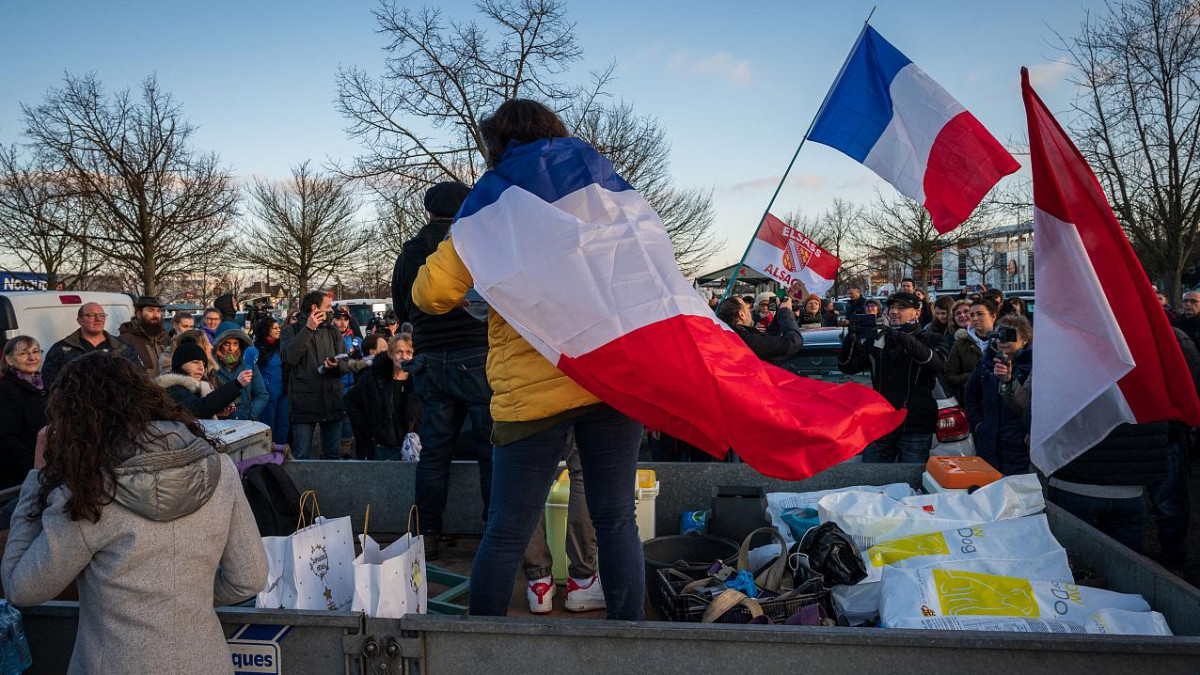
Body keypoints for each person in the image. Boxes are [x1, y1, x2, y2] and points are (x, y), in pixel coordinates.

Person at [412, 99, 644, 620]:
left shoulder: (493, 202)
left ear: (497, 146)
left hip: (533, 387)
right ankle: (635, 645)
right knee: (616, 519)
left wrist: (471, 249)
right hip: (610, 376)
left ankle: (482, 649)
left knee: (507, 527)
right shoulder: (603, 190)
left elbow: (430, 294)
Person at [1, 352, 267, 674]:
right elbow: (249, 577)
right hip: (205, 660)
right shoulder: (219, 468)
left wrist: (38, 478)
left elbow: (22, 587)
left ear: (74, 418)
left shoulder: (88, 491)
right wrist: (184, 599)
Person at [392, 180, 494, 559]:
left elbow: (403, 310)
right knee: (490, 450)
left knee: (434, 452)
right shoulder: (474, 245)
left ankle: (428, 534)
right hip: (477, 356)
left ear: (428, 211)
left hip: (431, 360)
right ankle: (492, 535)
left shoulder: (411, 253)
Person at [838, 292, 947, 463]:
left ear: (917, 313)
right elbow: (848, 367)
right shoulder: (879, 339)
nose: (894, 311)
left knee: (909, 483)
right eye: (892, 307)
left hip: (915, 426)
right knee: (872, 482)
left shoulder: (932, 338)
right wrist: (851, 338)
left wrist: (896, 334)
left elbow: (935, 363)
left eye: (901, 308)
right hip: (881, 424)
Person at [523, 434, 602, 614]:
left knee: (530, 473)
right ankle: (582, 582)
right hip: (573, 406)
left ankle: (539, 584)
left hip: (532, 408)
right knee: (582, 471)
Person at [279, 291, 351, 459]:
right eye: (327, 307)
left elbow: (345, 363)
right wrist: (308, 329)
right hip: (304, 403)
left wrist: (336, 365)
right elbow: (289, 357)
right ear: (314, 308)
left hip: (332, 401)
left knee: (333, 455)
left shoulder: (333, 331)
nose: (331, 310)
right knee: (302, 455)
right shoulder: (291, 330)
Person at [963, 315, 1033, 475]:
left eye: (1010, 335)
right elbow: (971, 398)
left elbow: (1028, 405)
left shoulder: (1032, 366)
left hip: (1018, 443)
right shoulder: (985, 364)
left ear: (1025, 340)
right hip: (988, 440)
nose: (1003, 339)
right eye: (999, 334)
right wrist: (979, 425)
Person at [345, 333, 422, 461]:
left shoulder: (420, 381)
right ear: (391, 354)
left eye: (409, 352)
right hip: (381, 450)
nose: (404, 356)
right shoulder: (374, 378)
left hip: (414, 450)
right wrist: (366, 429)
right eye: (399, 352)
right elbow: (350, 400)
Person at [42, 302, 141, 388]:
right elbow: (49, 385)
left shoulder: (123, 347)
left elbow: (139, 378)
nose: (98, 319)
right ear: (80, 320)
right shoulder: (61, 350)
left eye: (102, 315)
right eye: (91, 315)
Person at [157, 341, 253, 419]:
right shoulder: (173, 388)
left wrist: (217, 413)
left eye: (203, 363)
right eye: (195, 362)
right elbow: (199, 409)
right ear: (180, 364)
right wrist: (236, 384)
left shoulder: (198, 387)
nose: (201, 368)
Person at [0, 337, 47, 490]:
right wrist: (36, 464)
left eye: (35, 351)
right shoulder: (6, 390)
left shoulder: (43, 386)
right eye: (23, 353)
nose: (32, 357)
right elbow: (5, 438)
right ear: (9, 359)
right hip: (21, 477)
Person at [716, 295, 804, 361]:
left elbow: (765, 337)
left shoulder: (731, 336)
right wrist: (785, 312)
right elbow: (794, 342)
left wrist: (779, 313)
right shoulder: (744, 340)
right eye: (747, 308)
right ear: (741, 314)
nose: (750, 311)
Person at [945, 299, 997, 402]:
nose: (975, 318)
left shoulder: (1004, 342)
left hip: (1000, 402)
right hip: (974, 402)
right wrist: (975, 376)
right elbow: (950, 377)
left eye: (980, 314)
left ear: (993, 316)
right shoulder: (960, 344)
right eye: (972, 315)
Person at [212, 329, 269, 422]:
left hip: (246, 421)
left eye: (235, 344)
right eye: (226, 344)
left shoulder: (249, 365)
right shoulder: (212, 368)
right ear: (219, 346)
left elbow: (262, 394)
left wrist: (251, 414)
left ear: (240, 346)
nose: (231, 349)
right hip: (220, 422)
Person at [253, 316, 290, 448]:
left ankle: (280, 451)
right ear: (266, 330)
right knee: (268, 426)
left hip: (283, 392)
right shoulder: (257, 348)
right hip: (267, 393)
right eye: (274, 328)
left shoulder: (282, 346)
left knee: (283, 424)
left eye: (278, 327)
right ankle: (267, 454)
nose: (278, 330)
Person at [119, 295, 170, 377]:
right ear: (139, 314)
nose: (156, 315)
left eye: (158, 311)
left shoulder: (166, 339)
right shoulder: (126, 340)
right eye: (151, 310)